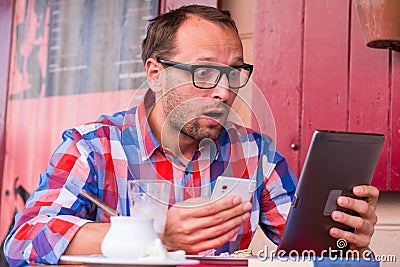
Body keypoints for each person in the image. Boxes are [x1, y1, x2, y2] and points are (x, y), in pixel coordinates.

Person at [4, 5, 379, 266]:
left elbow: (304, 250)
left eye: (234, 72)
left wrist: (344, 239)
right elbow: (24, 241)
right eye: (203, 72)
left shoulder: (255, 153)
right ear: (155, 73)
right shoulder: (92, 147)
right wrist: (153, 239)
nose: (223, 91)